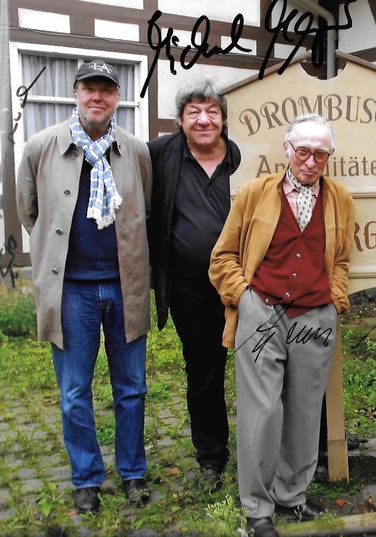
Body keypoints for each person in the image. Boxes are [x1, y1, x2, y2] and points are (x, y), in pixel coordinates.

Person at [16, 59, 152, 512]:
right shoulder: (41, 147)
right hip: (71, 290)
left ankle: (132, 472)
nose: (98, 97)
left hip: (123, 287)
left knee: (131, 388)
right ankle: (86, 477)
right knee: (75, 390)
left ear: (117, 98)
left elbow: (144, 211)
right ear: (76, 93)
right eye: (89, 88)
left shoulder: (135, 150)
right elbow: (30, 211)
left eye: (107, 90)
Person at [209, 113, 354, 537]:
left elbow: (342, 258)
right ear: (288, 150)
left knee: (307, 410)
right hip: (262, 310)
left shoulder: (341, 198)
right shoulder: (255, 193)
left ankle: (292, 495)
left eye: (321, 154)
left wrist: (335, 295)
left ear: (329, 156)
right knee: (263, 409)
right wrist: (244, 297)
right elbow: (222, 257)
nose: (311, 161)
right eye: (303, 151)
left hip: (315, 314)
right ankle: (258, 507)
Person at [148, 78, 240, 490]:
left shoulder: (244, 155)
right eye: (193, 112)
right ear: (181, 119)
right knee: (203, 372)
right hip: (190, 289)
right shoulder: (159, 154)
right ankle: (211, 458)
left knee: (271, 369)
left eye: (212, 112)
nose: (204, 120)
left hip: (250, 285)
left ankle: (288, 449)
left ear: (223, 118)